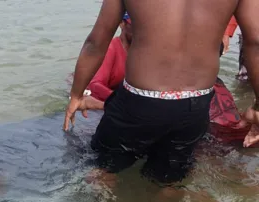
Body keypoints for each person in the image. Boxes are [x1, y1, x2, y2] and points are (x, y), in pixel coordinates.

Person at [64, 0, 259, 185]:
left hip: (139, 100)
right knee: (168, 182)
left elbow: (96, 42)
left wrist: (76, 95)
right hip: (196, 102)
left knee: (103, 170)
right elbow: (256, 41)